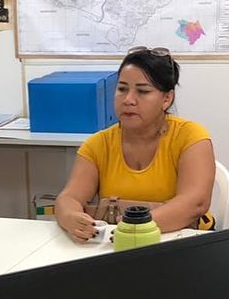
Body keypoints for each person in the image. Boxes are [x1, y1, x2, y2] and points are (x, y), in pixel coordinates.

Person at [54, 47, 216, 241]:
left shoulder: (191, 137)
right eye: (122, 89)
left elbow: (195, 203)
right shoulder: (98, 144)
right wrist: (71, 217)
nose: (128, 100)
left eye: (142, 91)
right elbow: (69, 197)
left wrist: (138, 225)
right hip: (119, 243)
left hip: (181, 243)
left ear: (167, 98)